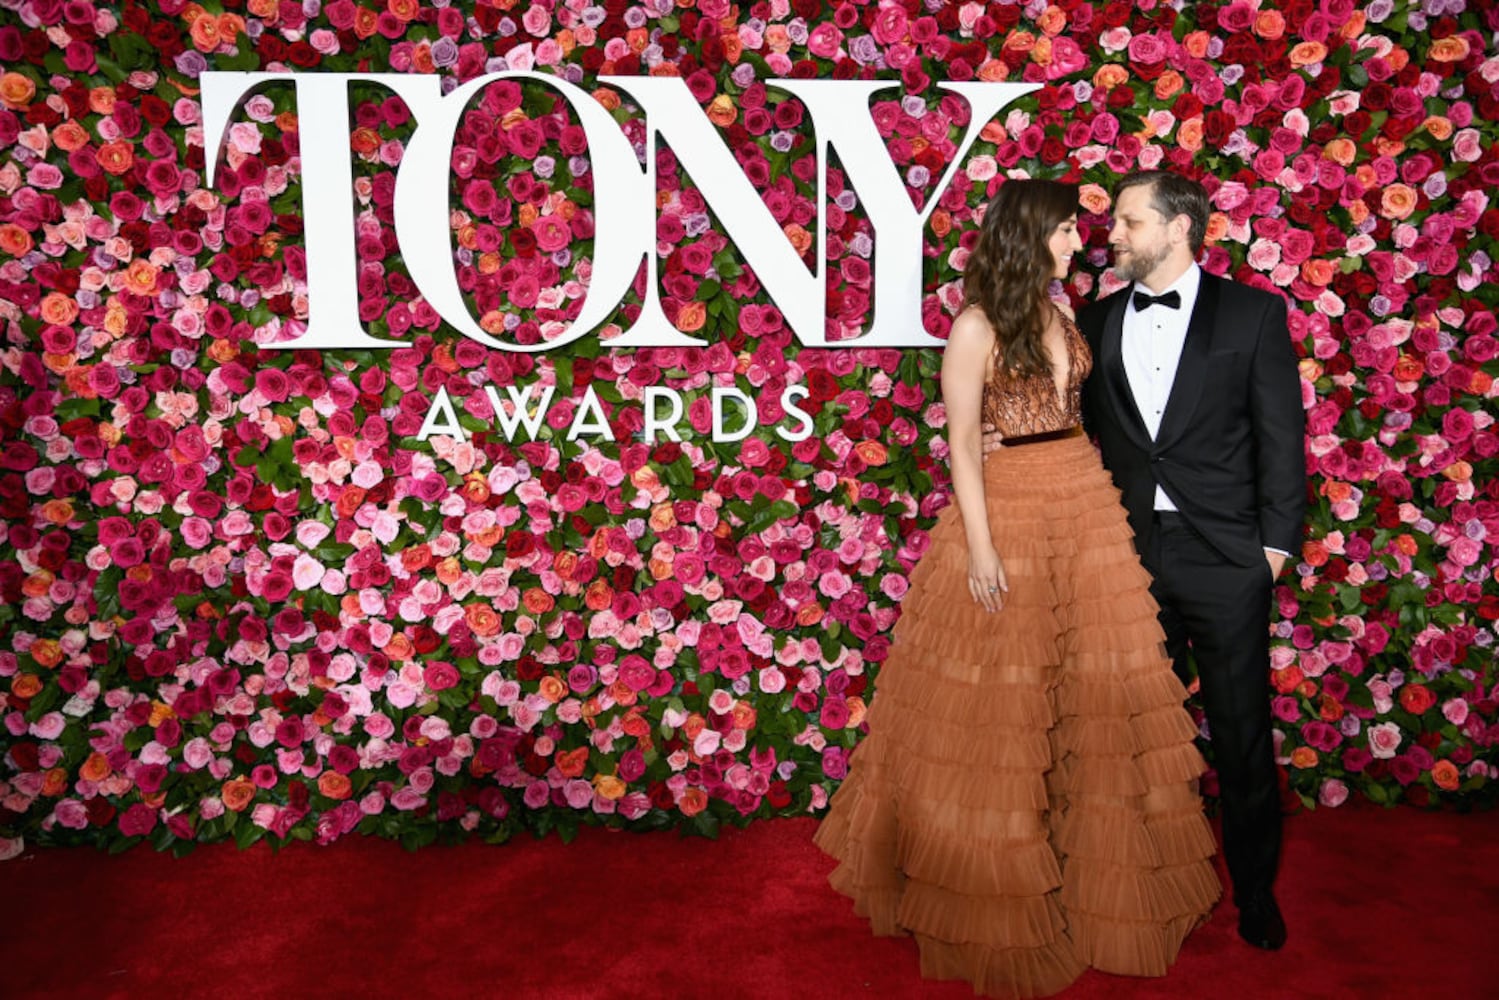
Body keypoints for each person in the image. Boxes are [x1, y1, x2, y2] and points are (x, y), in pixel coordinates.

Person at [814, 179, 1220, 999]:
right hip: (1009, 509)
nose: (1081, 243)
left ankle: (1084, 875)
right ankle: (994, 885)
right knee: (1004, 704)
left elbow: (1084, 410)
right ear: (1026, 236)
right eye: (1067, 230)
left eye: (1081, 229)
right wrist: (980, 547)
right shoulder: (974, 325)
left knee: (1089, 692)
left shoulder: (1059, 310)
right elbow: (963, 444)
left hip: (1083, 497)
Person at [1075, 169, 1307, 951]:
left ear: (1179, 228)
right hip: (1128, 558)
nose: (1113, 235)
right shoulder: (1095, 318)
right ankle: (1136, 882)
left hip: (1225, 559)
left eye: (1129, 222)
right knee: (1129, 732)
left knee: (1239, 736)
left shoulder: (1252, 313)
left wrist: (1269, 553)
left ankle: (1254, 894)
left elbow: (1281, 441)